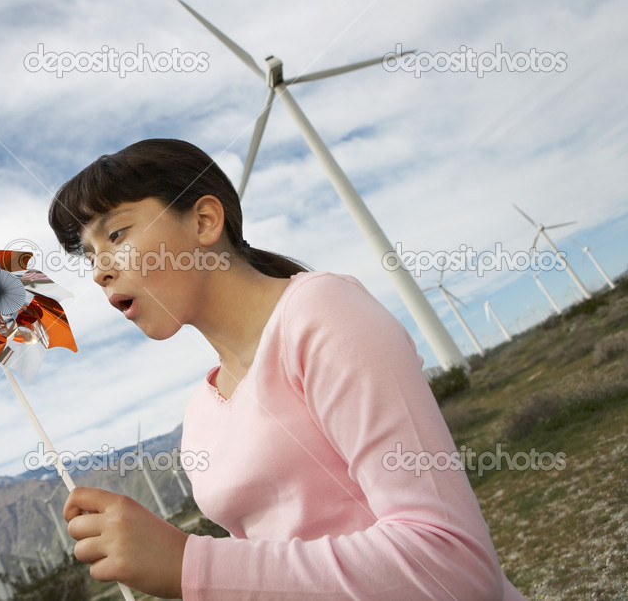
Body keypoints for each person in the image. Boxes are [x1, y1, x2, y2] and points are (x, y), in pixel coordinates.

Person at [48, 138, 526, 600]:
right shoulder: (199, 415)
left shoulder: (322, 312)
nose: (99, 271)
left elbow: (454, 566)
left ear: (204, 220)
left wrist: (188, 565)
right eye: (89, 256)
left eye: (116, 235)